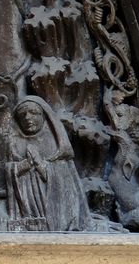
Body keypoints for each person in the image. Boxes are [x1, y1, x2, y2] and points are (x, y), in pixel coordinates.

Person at [5, 97, 89, 232]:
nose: (27, 118)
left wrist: (40, 164)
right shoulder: (13, 143)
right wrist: (23, 166)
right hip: (28, 214)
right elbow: (9, 170)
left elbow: (66, 182)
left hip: (55, 213)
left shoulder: (56, 144)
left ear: (44, 115)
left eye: (33, 112)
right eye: (22, 115)